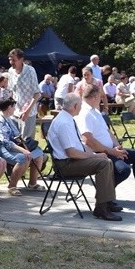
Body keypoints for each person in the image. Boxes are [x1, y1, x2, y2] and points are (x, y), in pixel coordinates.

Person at [75, 84, 135, 204]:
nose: (102, 99)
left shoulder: (95, 111)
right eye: (101, 96)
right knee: (123, 170)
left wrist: (117, 146)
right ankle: (104, 197)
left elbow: (107, 131)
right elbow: (88, 140)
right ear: (95, 97)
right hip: (100, 152)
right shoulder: (84, 113)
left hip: (111, 149)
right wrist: (112, 151)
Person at [46, 93, 121, 221]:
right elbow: (71, 153)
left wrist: (96, 153)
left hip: (72, 160)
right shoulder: (64, 122)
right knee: (104, 163)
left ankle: (105, 204)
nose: (81, 107)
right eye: (80, 105)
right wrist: (94, 156)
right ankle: (102, 207)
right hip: (66, 165)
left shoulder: (68, 119)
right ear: (75, 106)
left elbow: (79, 145)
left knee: (105, 161)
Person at [0, 99, 45, 195]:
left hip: (14, 146)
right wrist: (23, 150)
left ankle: (32, 184)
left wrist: (23, 144)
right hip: (3, 149)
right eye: (13, 107)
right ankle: (12, 186)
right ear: (9, 108)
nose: (15, 109)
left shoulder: (7, 117)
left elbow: (17, 135)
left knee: (39, 155)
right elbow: (6, 142)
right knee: (24, 157)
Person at [7, 48, 40, 138]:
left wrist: (27, 111)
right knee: (16, 139)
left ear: (21, 60)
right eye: (10, 60)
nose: (11, 62)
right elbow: (11, 91)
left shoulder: (30, 71)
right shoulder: (10, 71)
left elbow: (37, 94)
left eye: (14, 60)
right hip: (15, 112)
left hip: (28, 112)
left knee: (27, 141)